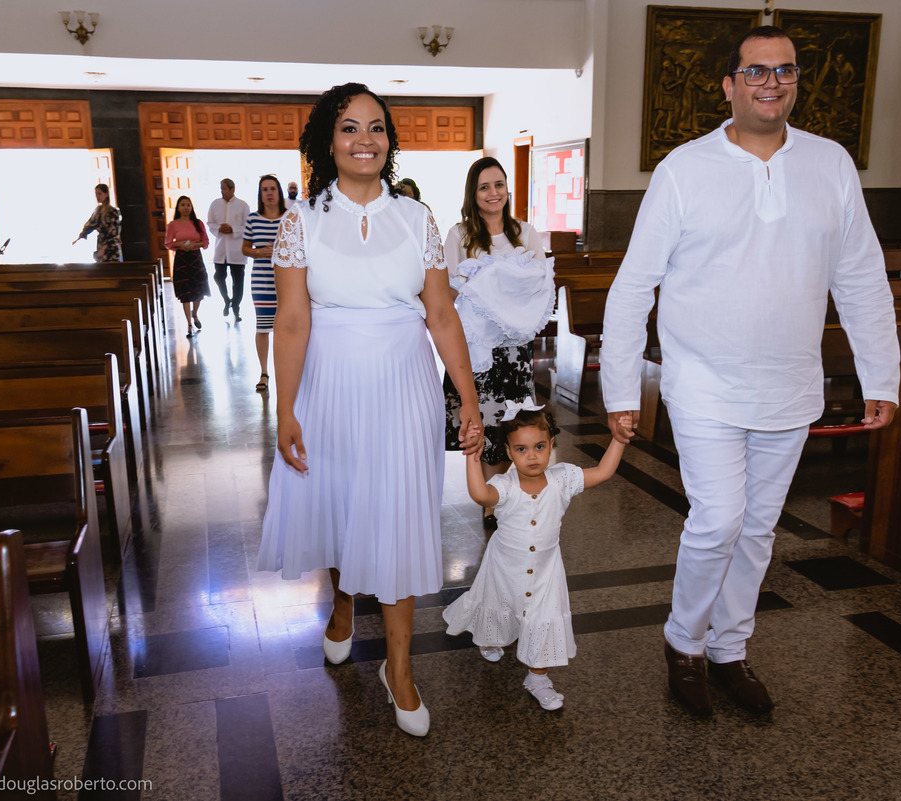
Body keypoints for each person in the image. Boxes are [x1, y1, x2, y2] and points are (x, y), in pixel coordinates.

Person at [600, 26, 900, 718]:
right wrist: (621, 389)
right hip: (703, 381)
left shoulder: (830, 164)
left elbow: (859, 277)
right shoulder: (684, 169)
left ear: (797, 81)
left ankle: (731, 646)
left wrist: (879, 372)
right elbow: (632, 285)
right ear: (729, 84)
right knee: (718, 519)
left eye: (786, 70)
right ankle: (683, 642)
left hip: (790, 383)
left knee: (760, 526)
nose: (772, 83)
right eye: (756, 71)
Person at [255, 82, 482, 738]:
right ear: (328, 139)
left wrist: (466, 397)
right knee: (342, 502)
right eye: (349, 128)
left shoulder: (416, 218)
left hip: (403, 381)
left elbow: (441, 313)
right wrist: (286, 408)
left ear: (390, 139)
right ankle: (343, 601)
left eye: (376, 128)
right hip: (330, 380)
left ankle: (400, 668)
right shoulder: (301, 220)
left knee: (399, 511)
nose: (365, 140)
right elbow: (293, 320)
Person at [443, 401, 627, 711]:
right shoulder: (505, 485)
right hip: (503, 567)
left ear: (552, 444)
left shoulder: (562, 479)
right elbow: (479, 495)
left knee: (542, 618)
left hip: (546, 572)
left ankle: (538, 677)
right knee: (500, 605)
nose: (532, 456)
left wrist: (619, 440)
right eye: (522, 449)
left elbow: (603, 472)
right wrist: (473, 458)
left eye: (539, 446)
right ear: (509, 451)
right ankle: (491, 638)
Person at [442, 156, 550, 532]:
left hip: (515, 348)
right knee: (484, 424)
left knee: (512, 423)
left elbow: (537, 285)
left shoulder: (525, 231)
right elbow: (449, 290)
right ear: (474, 192)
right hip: (476, 347)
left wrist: (500, 289)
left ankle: (505, 495)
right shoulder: (459, 235)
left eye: (499, 185)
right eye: (485, 186)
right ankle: (490, 501)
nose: (493, 193)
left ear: (508, 189)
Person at [242, 175, 286, 393]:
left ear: (279, 192)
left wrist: (279, 251)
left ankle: (287, 370)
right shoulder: (253, 219)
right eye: (264, 190)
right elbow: (245, 248)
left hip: (287, 280)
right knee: (263, 326)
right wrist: (259, 252)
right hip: (261, 280)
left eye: (272, 189)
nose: (269, 193)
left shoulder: (291, 217)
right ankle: (264, 372)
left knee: (285, 327)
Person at [164, 196, 211, 337]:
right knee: (185, 292)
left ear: (191, 207)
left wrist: (194, 245)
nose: (186, 208)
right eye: (183, 205)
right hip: (182, 259)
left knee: (198, 290)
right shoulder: (173, 224)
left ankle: (195, 314)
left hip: (195, 258)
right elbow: (168, 243)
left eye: (188, 205)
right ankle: (189, 324)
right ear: (178, 208)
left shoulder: (198, 223)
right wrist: (182, 244)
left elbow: (206, 242)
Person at [206, 178, 250, 322]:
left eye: (224, 188)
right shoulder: (215, 204)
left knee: (238, 281)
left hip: (237, 250)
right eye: (221, 187)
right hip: (221, 249)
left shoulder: (243, 205)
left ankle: (236, 307)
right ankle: (226, 300)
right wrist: (219, 228)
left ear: (232, 189)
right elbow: (210, 223)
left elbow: (248, 227)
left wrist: (233, 229)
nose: (222, 190)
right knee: (218, 277)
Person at [72, 183, 122, 262]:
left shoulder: (113, 211)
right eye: (96, 194)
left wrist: (104, 247)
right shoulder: (97, 211)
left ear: (106, 194)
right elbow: (89, 225)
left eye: (99, 193)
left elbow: (114, 232)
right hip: (101, 243)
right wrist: (80, 236)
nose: (97, 196)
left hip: (111, 246)